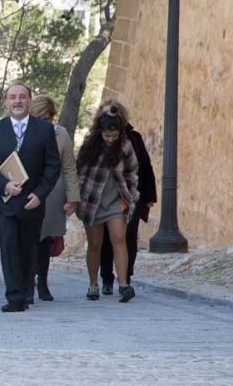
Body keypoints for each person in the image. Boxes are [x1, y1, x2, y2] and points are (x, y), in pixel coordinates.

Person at [0, 83, 60, 313]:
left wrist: (40, 194)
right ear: (6, 102)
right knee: (9, 246)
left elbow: (53, 166)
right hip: (4, 202)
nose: (17, 101)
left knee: (27, 248)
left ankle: (26, 290)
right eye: (12, 97)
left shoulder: (44, 130)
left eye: (22, 97)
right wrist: (4, 184)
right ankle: (14, 296)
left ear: (29, 101)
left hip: (32, 201)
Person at [76, 105, 139, 303]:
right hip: (92, 201)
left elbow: (132, 172)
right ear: (100, 133)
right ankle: (93, 284)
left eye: (114, 136)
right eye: (107, 136)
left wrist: (131, 195)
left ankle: (123, 284)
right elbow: (79, 174)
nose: (110, 139)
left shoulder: (126, 146)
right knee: (95, 244)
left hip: (116, 201)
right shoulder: (90, 147)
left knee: (119, 240)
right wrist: (76, 199)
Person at [98, 99, 156, 295]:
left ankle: (126, 277)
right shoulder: (96, 139)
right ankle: (106, 277)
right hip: (103, 198)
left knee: (129, 237)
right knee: (106, 239)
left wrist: (148, 196)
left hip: (130, 197)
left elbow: (145, 167)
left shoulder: (134, 138)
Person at [28, 96, 80, 303]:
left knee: (45, 239)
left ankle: (42, 281)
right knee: (28, 238)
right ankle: (27, 281)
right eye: (39, 117)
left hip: (52, 191)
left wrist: (73, 197)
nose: (43, 121)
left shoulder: (61, 134)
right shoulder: (21, 133)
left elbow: (68, 167)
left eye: (47, 118)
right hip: (27, 189)